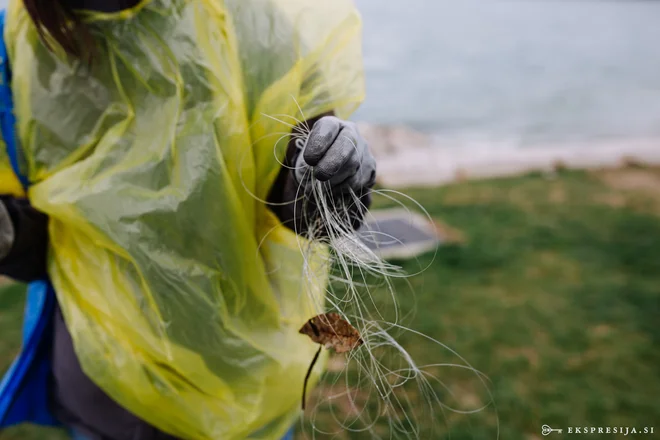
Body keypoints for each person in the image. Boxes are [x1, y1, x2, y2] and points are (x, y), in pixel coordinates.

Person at [0, 0, 375, 439]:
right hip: (105, 384)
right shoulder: (15, 46)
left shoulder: (244, 19)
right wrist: (9, 234)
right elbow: (40, 246)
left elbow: (300, 198)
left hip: (237, 375)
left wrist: (332, 178)